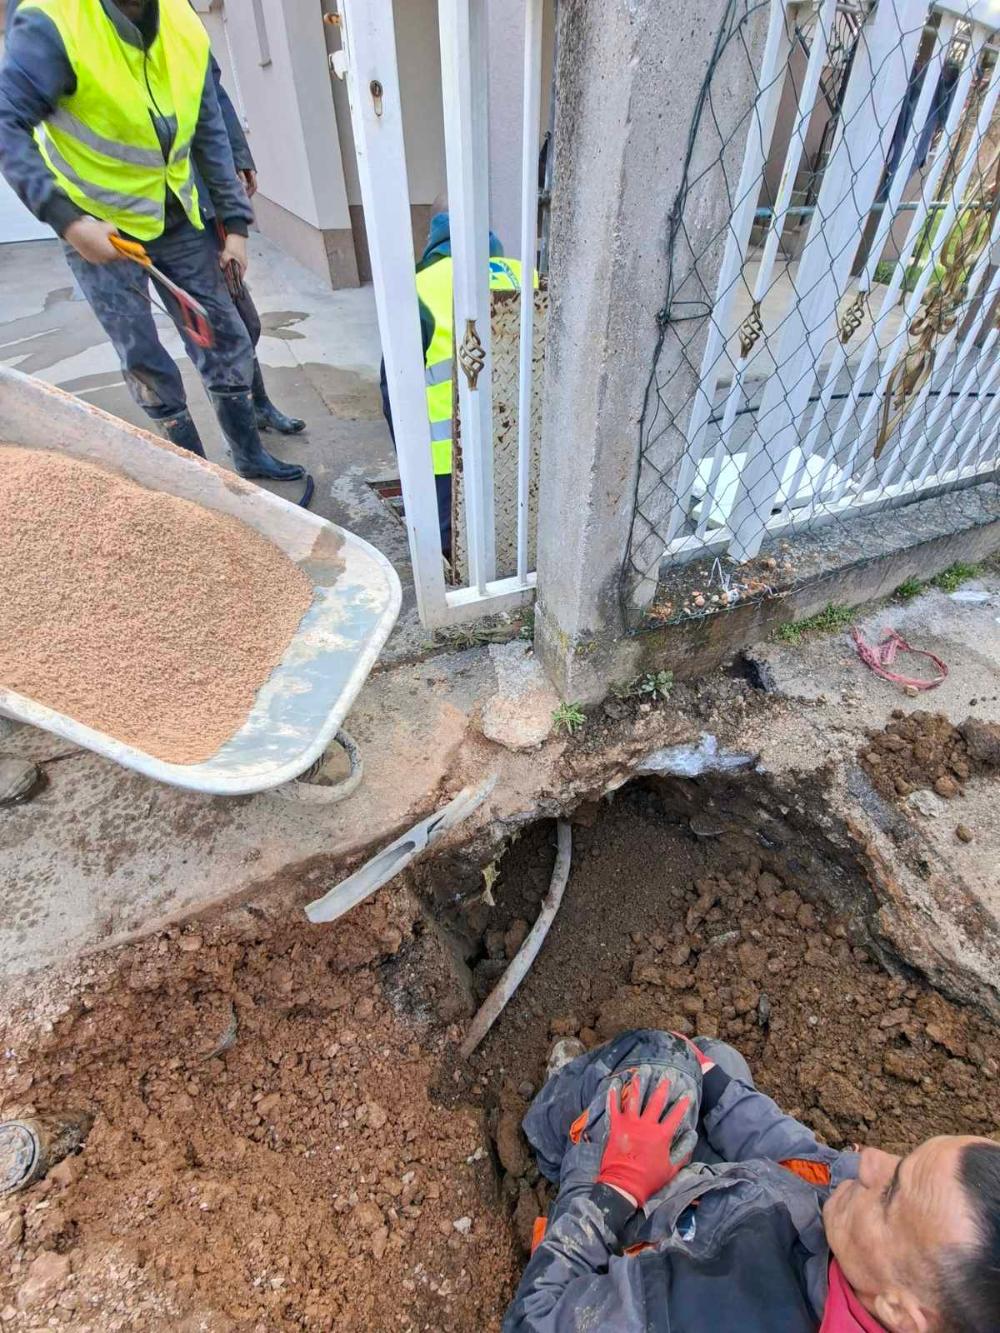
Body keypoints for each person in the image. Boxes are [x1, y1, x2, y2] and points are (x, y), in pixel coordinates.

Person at [504, 1029, 1000, 1333]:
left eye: (891, 1192)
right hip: (729, 1207)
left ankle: (553, 1138)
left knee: (654, 1067)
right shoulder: (871, 1257)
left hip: (649, 1246)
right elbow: (802, 1161)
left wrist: (615, 1190)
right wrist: (713, 1080)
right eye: (902, 1161)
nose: (870, 1160)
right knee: (712, 1059)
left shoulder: (700, 1311)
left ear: (899, 1311)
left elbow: (533, 1322)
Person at [0, 0, 303, 483]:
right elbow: (6, 120)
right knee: (142, 355)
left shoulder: (183, 22)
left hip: (177, 216)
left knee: (226, 334)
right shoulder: (53, 22)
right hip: (99, 225)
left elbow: (208, 130)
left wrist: (236, 227)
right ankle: (196, 479)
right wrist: (69, 221)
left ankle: (248, 457)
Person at [380, 209, 526, 557]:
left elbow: (393, 388)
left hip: (447, 456)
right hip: (519, 446)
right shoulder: (525, 274)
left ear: (434, 239)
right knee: (517, 530)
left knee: (450, 549)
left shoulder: (420, 286)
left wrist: (410, 458)